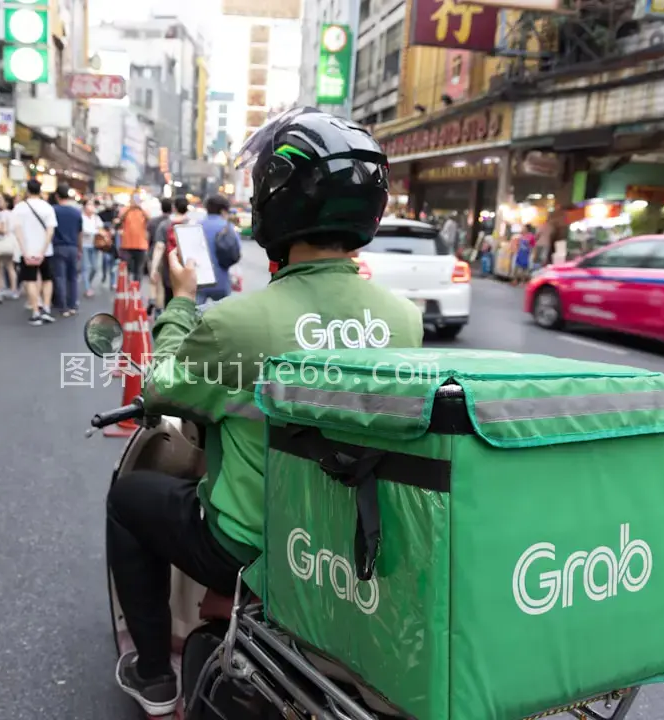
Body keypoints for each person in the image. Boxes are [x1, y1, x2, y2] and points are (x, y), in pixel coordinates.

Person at [105, 107, 426, 715]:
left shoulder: (238, 321)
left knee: (127, 502)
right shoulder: (403, 318)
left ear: (275, 203)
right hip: (346, 540)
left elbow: (161, 389)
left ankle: (153, 675)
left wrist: (178, 303)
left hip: (247, 544)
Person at [10, 179, 56, 325]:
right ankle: (47, 309)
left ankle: (36, 311)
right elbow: (50, 231)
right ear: (40, 190)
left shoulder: (19, 208)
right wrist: (43, 251)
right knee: (47, 279)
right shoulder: (47, 207)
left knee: (30, 280)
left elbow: (17, 232)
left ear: (27, 191)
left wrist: (25, 251)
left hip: (28, 251)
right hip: (46, 251)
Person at [197, 195, 240, 304]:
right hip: (221, 279)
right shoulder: (228, 227)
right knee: (224, 316)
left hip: (200, 280)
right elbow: (236, 252)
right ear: (223, 211)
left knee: (194, 316)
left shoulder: (197, 226)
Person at [149, 197, 189, 310]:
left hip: (170, 270)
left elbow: (159, 247)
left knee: (169, 299)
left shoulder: (165, 225)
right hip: (188, 272)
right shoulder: (192, 225)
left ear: (174, 208)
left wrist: (154, 269)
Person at [51, 184, 82, 317]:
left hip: (58, 247)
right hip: (73, 247)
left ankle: (63, 307)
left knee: (60, 277)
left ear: (57, 196)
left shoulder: (52, 210)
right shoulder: (76, 212)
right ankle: (73, 304)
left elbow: (50, 230)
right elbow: (80, 232)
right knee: (73, 277)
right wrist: (80, 248)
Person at [0, 193, 19, 300]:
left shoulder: (2, 214)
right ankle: (13, 289)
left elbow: (3, 229)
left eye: (1, 200)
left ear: (6, 203)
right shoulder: (13, 214)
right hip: (11, 242)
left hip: (2, 242)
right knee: (10, 267)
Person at [119, 197, 150, 280]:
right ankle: (127, 287)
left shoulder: (143, 211)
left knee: (139, 270)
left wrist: (140, 207)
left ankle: (136, 290)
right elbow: (121, 218)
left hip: (141, 245)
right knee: (127, 269)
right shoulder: (126, 210)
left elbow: (149, 218)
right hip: (127, 245)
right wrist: (130, 208)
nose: (135, 203)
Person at [80, 200, 104, 298]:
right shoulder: (81, 217)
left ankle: (87, 283)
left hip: (94, 245)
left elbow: (101, 228)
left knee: (95, 268)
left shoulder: (96, 218)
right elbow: (84, 230)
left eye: (92, 205)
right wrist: (95, 231)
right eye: (89, 204)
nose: (91, 207)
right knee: (85, 268)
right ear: (84, 206)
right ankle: (87, 288)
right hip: (84, 245)